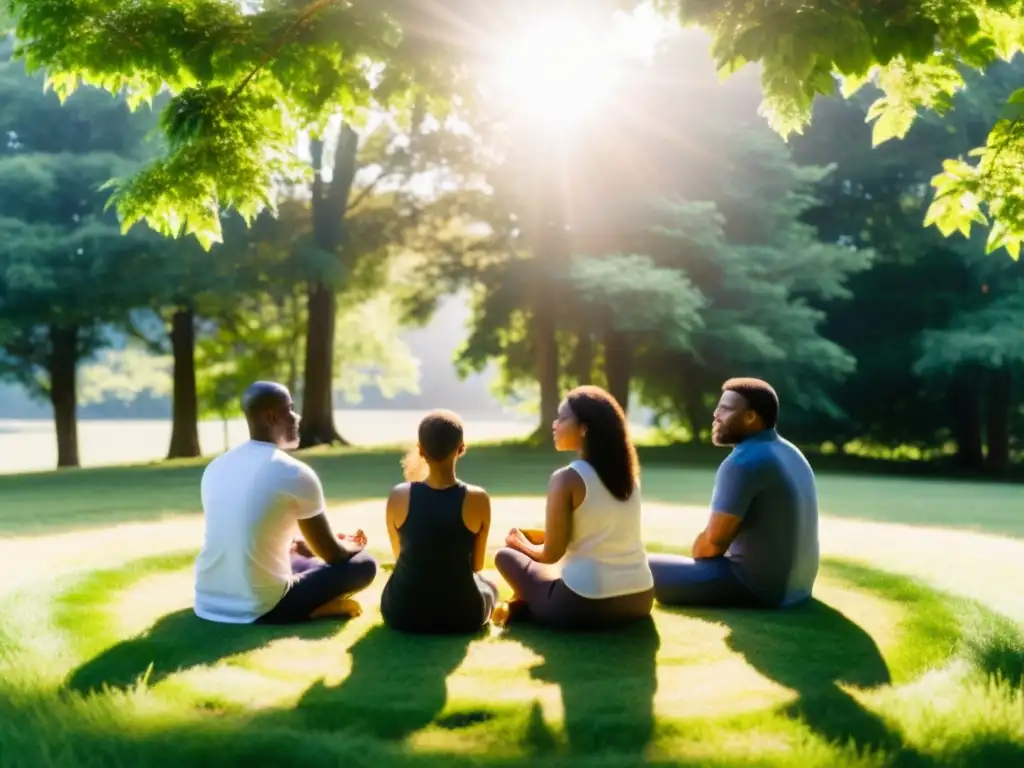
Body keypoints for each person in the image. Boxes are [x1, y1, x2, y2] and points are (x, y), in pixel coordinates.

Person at [194, 381, 378, 624]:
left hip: (207, 600)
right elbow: (333, 555)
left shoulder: (216, 466)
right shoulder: (293, 472)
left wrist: (301, 544)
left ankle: (305, 599)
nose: (297, 416)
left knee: (306, 557)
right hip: (261, 607)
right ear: (270, 417)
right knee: (364, 564)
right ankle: (311, 609)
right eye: (289, 409)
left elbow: (240, 530)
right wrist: (353, 546)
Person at [493, 385, 655, 631]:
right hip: (640, 599)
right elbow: (597, 535)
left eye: (563, 417)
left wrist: (520, 545)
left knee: (506, 556)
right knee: (532, 551)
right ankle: (527, 604)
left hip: (584, 605)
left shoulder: (567, 478)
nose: (555, 424)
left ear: (584, 427)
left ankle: (526, 604)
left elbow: (551, 555)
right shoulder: (629, 478)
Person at [648, 377, 819, 609]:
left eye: (726, 409)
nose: (716, 415)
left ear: (750, 417)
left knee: (641, 568)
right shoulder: (789, 451)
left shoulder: (743, 462)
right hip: (798, 588)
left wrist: (699, 563)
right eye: (718, 408)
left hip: (758, 588)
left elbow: (714, 542)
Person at [380, 409, 499, 633]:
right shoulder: (478, 498)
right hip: (463, 617)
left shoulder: (398, 495)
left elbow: (400, 556)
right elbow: (477, 565)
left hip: (402, 613)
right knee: (490, 585)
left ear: (420, 450)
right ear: (461, 449)